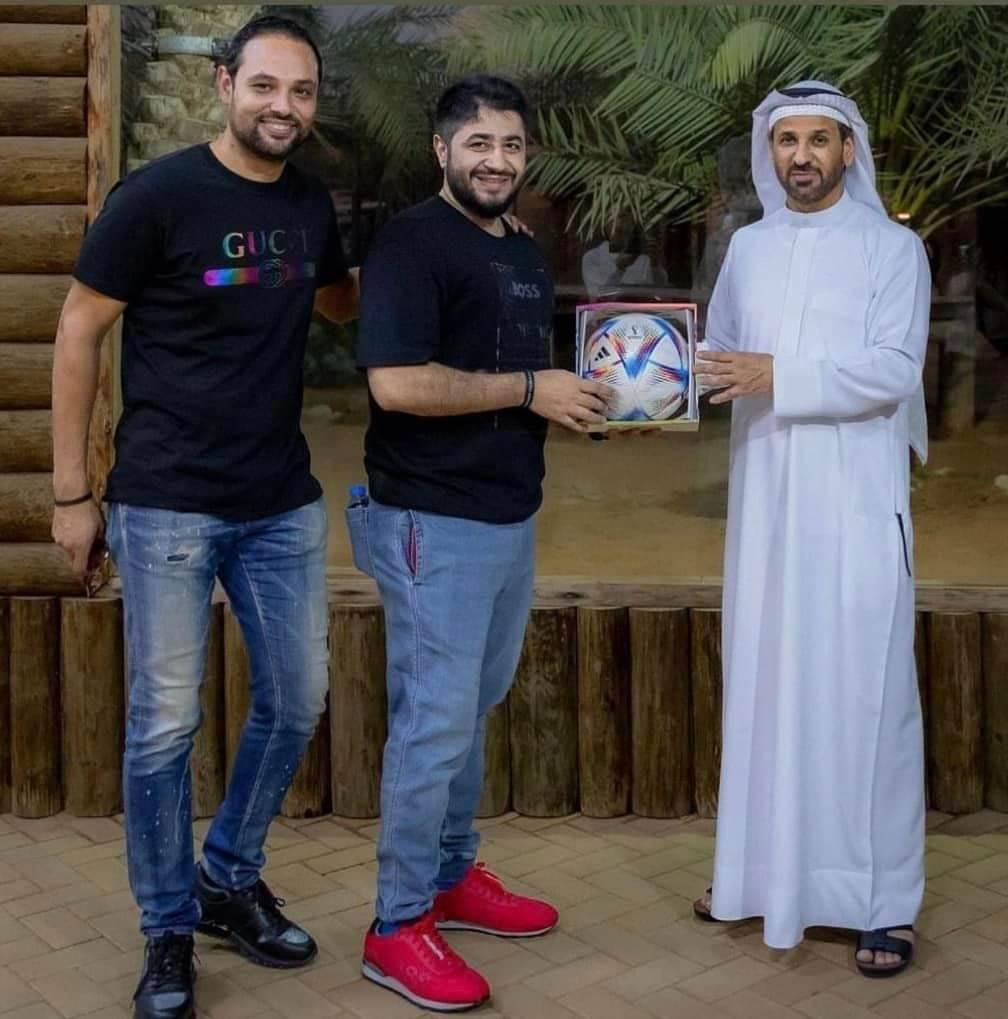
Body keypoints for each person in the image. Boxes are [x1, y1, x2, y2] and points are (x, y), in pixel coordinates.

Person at [51, 16, 357, 1019]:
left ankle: (227, 876)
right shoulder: (157, 197)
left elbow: (337, 301)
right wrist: (71, 492)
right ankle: (168, 926)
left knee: (297, 698)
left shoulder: (308, 204)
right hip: (167, 501)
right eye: (265, 85)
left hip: (279, 502)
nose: (283, 106)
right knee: (164, 724)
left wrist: (448, 252)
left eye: (301, 91)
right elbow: (79, 329)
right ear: (226, 85)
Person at [351, 74, 612, 1011]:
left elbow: (528, 376)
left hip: (508, 516)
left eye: (511, 145)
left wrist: (599, 394)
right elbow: (397, 384)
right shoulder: (411, 243)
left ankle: (452, 876)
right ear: (442, 149)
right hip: (432, 520)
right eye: (479, 144)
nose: (497, 161)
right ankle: (396, 924)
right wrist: (533, 389)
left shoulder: (523, 250)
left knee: (469, 710)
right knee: (433, 723)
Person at [692, 81, 929, 977]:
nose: (800, 155)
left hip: (856, 506)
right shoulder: (749, 248)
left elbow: (894, 369)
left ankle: (883, 902)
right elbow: (719, 357)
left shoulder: (893, 248)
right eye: (785, 140)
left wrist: (776, 374)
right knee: (767, 685)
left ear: (847, 151)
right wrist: (643, 380)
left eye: (818, 140)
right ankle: (757, 877)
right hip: (766, 507)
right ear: (771, 153)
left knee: (867, 699)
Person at [581, 211, 668, 298]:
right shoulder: (592, 257)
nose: (621, 225)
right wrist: (620, 270)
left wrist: (654, 265)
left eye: (625, 220)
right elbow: (599, 296)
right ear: (606, 227)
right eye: (617, 230)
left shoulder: (645, 258)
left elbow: (660, 293)